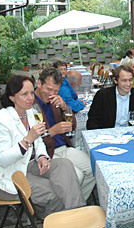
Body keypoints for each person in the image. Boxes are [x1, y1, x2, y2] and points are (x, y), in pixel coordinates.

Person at [0, 75, 85, 217]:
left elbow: (39, 141)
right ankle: (62, 220)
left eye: (31, 93)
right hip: (8, 175)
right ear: (12, 97)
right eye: (24, 94)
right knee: (55, 193)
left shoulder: (29, 112)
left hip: (28, 165)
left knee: (64, 165)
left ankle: (78, 216)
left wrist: (42, 156)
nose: (30, 98)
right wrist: (27, 140)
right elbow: (2, 160)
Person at [34, 68, 95, 201]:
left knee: (94, 169)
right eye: (49, 89)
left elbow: (72, 125)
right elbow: (31, 140)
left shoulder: (55, 101)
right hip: (46, 153)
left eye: (56, 91)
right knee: (77, 176)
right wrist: (53, 131)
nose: (52, 94)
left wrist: (65, 107)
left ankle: (76, 205)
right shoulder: (31, 104)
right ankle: (66, 209)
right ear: (39, 84)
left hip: (63, 147)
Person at [87, 65, 134, 129]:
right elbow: (92, 121)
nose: (128, 84)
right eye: (124, 80)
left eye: (130, 80)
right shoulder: (103, 95)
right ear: (115, 80)